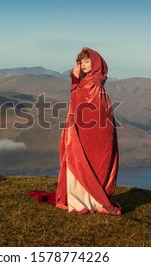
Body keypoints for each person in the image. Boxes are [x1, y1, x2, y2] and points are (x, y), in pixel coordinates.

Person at [28, 47, 121, 215]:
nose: (84, 65)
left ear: (95, 63)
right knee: (85, 160)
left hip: (92, 132)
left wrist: (75, 78)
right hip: (92, 129)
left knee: (82, 159)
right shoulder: (93, 80)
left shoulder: (92, 82)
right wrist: (76, 80)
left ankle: (86, 200)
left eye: (87, 61)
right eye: (81, 62)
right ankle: (87, 198)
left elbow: (79, 99)